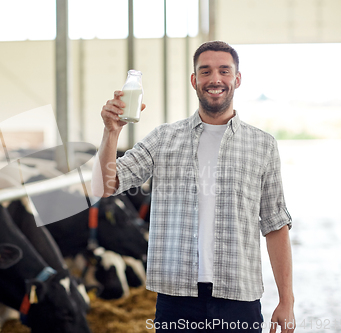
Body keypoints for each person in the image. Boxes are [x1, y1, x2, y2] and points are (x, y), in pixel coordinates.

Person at [92, 41, 295, 332]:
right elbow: (103, 186)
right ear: (194, 80)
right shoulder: (164, 139)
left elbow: (275, 224)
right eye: (205, 71)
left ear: (237, 79)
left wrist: (286, 300)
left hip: (239, 296)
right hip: (177, 299)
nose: (215, 79)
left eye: (224, 71)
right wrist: (111, 132)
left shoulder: (262, 145)